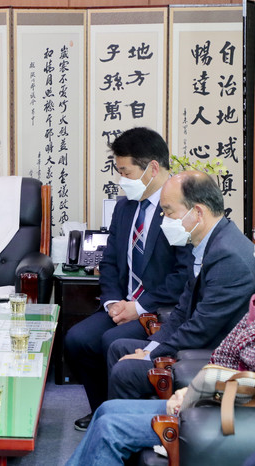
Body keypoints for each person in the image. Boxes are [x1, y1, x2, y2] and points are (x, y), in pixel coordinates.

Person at [67, 203, 255, 465]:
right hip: (214, 393)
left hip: (231, 416)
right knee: (105, 410)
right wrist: (193, 388)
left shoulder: (229, 256)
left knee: (109, 426)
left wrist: (201, 393)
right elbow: (224, 351)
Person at [64, 127, 192, 430]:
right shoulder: (124, 207)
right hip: (122, 304)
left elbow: (183, 275)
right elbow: (109, 260)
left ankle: (118, 417)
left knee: (111, 340)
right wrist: (111, 302)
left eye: (126, 172)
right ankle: (102, 409)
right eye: (119, 172)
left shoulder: (180, 209)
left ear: (153, 168)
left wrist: (139, 307)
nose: (122, 180)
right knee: (76, 339)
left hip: (160, 309)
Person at [106, 170, 255, 401]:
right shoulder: (207, 243)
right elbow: (182, 311)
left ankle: (135, 419)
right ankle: (118, 415)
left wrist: (150, 356)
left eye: (169, 212)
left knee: (126, 370)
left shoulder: (229, 257)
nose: (164, 220)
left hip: (215, 356)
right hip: (198, 342)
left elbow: (201, 328)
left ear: (197, 212)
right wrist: (150, 348)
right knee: (118, 347)